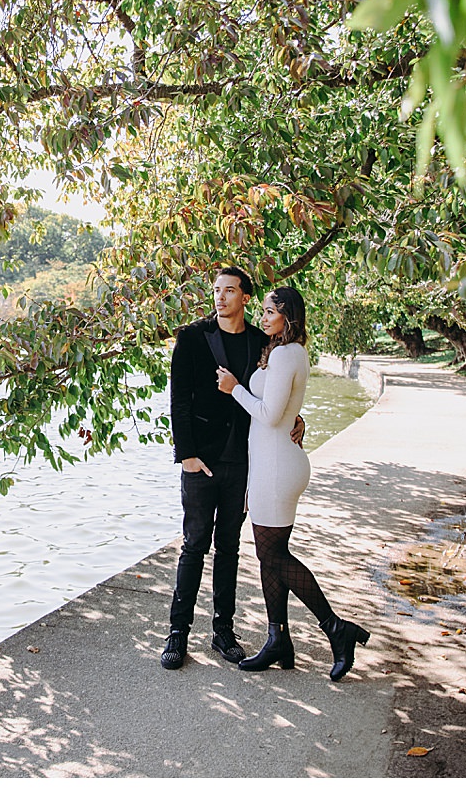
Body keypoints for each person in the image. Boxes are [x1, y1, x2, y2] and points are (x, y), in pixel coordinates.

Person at [216, 283, 370, 681]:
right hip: (271, 464)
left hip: (278, 468)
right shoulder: (283, 352)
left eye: (269, 311)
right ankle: (278, 639)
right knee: (271, 554)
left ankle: (336, 628)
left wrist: (235, 389)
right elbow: (284, 413)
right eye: (264, 311)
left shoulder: (287, 354)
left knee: (273, 555)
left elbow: (268, 415)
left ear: (287, 315)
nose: (263, 318)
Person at [160, 267, 302, 670]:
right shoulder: (191, 337)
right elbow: (179, 402)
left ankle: (223, 631)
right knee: (193, 545)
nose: (220, 298)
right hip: (200, 461)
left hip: (243, 461)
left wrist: (296, 418)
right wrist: (185, 454)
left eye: (229, 291)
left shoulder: (263, 343)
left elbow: (276, 394)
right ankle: (177, 634)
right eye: (216, 291)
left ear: (245, 297)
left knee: (230, 548)